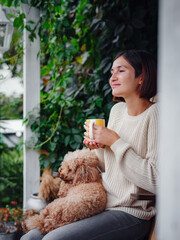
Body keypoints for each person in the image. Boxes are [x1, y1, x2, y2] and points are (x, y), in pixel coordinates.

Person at [21, 49, 158, 240]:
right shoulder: (117, 111)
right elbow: (106, 166)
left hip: (131, 213)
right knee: (30, 237)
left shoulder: (155, 115)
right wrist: (99, 147)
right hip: (101, 204)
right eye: (112, 72)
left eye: (121, 70)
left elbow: (156, 180)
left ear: (141, 77)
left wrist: (115, 142)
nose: (113, 77)